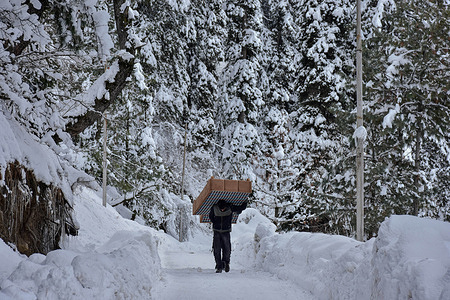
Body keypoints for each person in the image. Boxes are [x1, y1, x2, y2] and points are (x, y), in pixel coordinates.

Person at [209, 199, 247, 273]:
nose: (222, 210)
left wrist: (245, 201)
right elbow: (211, 217)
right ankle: (219, 266)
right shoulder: (214, 208)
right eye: (221, 209)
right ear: (218, 207)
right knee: (217, 250)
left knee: (227, 249)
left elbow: (240, 208)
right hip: (217, 231)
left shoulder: (230, 207)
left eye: (224, 209)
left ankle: (226, 263)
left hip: (225, 231)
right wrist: (216, 223)